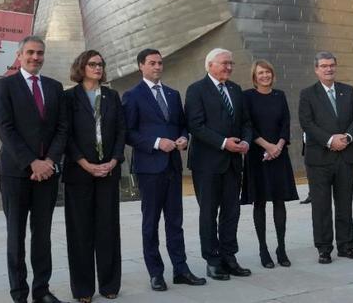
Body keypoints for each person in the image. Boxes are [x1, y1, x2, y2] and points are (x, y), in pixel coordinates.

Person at [0, 36, 68, 303]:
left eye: (40, 53)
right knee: (16, 235)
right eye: (31, 52)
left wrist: (49, 161)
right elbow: (5, 129)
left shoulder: (54, 87)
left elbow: (62, 128)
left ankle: (42, 290)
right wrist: (31, 162)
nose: (36, 57)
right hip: (15, 173)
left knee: (42, 235)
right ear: (19, 55)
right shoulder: (5, 86)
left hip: (47, 173)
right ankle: (19, 294)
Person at [122, 49, 205, 292]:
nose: (158, 67)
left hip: (172, 167)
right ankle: (156, 273)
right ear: (141, 66)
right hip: (149, 167)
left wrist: (182, 138)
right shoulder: (132, 95)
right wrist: (157, 143)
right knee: (151, 222)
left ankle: (181, 269)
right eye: (152, 63)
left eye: (160, 63)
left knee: (175, 222)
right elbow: (128, 133)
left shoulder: (172, 93)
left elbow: (181, 124)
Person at [185, 48, 253, 280]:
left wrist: (245, 141)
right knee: (209, 213)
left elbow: (246, 122)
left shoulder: (235, 90)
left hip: (234, 163)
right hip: (207, 164)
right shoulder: (196, 90)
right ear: (210, 65)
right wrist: (225, 143)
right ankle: (212, 260)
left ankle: (229, 257)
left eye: (231, 63)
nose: (229, 67)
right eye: (224, 63)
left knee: (231, 212)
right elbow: (196, 126)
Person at [63, 50, 126, 302]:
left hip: (108, 171)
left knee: (108, 228)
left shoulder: (112, 96)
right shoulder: (68, 97)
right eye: (92, 64)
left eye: (101, 64)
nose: (98, 68)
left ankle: (110, 284)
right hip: (79, 172)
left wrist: (113, 160)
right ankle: (83, 289)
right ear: (81, 67)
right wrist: (85, 164)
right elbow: (65, 134)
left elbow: (122, 130)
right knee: (80, 232)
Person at [298, 51, 353, 264]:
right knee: (321, 206)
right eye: (324, 66)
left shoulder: (348, 91)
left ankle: (346, 246)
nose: (329, 69)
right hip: (319, 159)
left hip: (345, 158)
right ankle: (324, 248)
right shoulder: (307, 94)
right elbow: (307, 123)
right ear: (316, 69)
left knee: (344, 204)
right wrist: (330, 140)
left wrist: (346, 137)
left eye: (332, 65)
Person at [241, 60, 298, 268]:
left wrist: (278, 147)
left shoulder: (279, 95)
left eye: (267, 72)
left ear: (272, 75)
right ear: (254, 77)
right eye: (260, 73)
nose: (265, 76)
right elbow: (247, 125)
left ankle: (281, 248)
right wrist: (267, 146)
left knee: (279, 202)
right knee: (260, 202)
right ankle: (263, 250)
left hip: (278, 155)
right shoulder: (247, 96)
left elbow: (285, 123)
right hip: (257, 156)